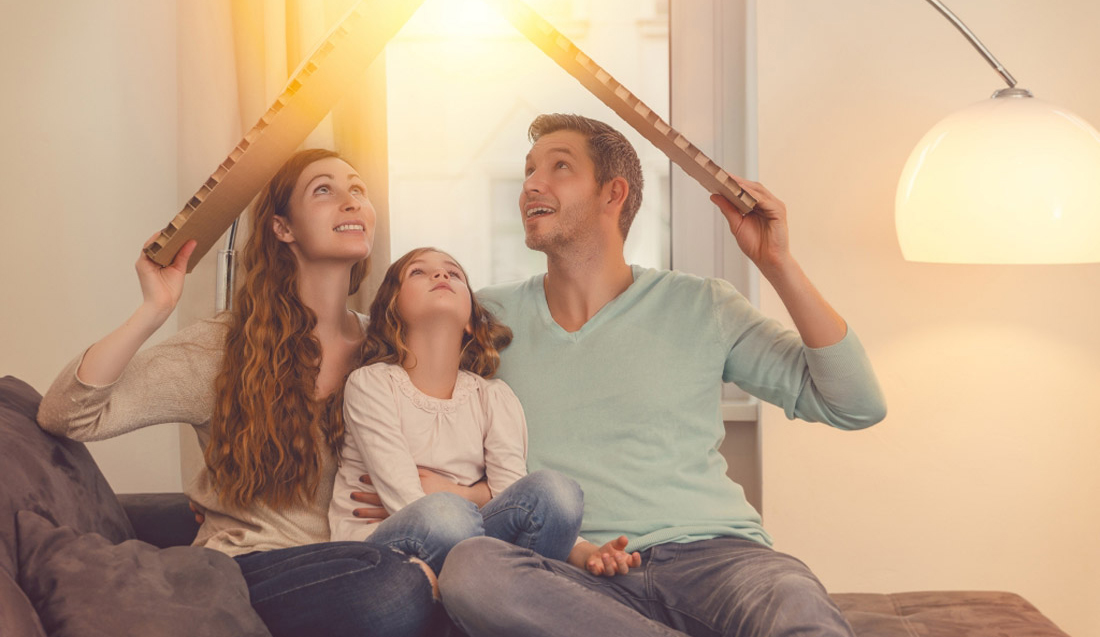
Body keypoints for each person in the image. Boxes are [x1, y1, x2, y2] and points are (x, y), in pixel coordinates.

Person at [435, 114, 888, 637]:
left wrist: (777, 260)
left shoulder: (702, 304)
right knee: (474, 569)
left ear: (614, 194)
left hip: (718, 561)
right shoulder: (486, 316)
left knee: (793, 603)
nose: (532, 185)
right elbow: (403, 381)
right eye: (529, 171)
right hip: (574, 572)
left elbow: (854, 404)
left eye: (559, 167)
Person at [38, 148, 452, 637]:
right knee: (395, 588)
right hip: (255, 571)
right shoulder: (223, 348)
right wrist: (154, 309)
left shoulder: (386, 349)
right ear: (282, 227)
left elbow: (458, 464)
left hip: (364, 555)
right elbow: (67, 413)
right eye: (325, 189)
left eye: (358, 190)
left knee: (427, 572)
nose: (351, 201)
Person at [328, 246, 584, 575]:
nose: (441, 275)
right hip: (388, 544)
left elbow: (515, 498)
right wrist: (463, 499)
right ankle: (496, 592)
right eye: (418, 272)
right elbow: (407, 498)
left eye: (454, 273)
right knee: (446, 515)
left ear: (470, 323)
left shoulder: (493, 397)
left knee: (556, 492)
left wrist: (457, 493)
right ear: (393, 310)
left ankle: (485, 594)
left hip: (469, 539)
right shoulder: (372, 384)